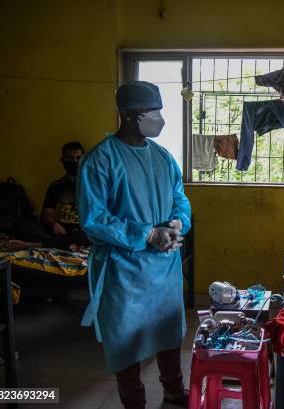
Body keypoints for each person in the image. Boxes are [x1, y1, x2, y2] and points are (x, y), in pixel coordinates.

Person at [78, 81, 191, 409]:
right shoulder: (99, 161)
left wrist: (176, 223)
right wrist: (146, 234)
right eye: (152, 113)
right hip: (123, 270)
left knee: (168, 332)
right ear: (128, 115)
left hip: (164, 266)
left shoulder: (163, 157)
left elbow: (180, 198)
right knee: (125, 342)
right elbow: (95, 219)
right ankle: (134, 402)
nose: (159, 119)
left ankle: (173, 392)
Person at [8, 142, 90, 251]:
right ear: (62, 160)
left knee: (91, 234)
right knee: (22, 226)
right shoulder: (56, 186)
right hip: (61, 231)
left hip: (82, 232)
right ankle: (64, 244)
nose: (74, 162)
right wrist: (53, 224)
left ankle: (32, 245)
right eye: (70, 158)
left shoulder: (93, 185)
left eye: (78, 158)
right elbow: (46, 214)